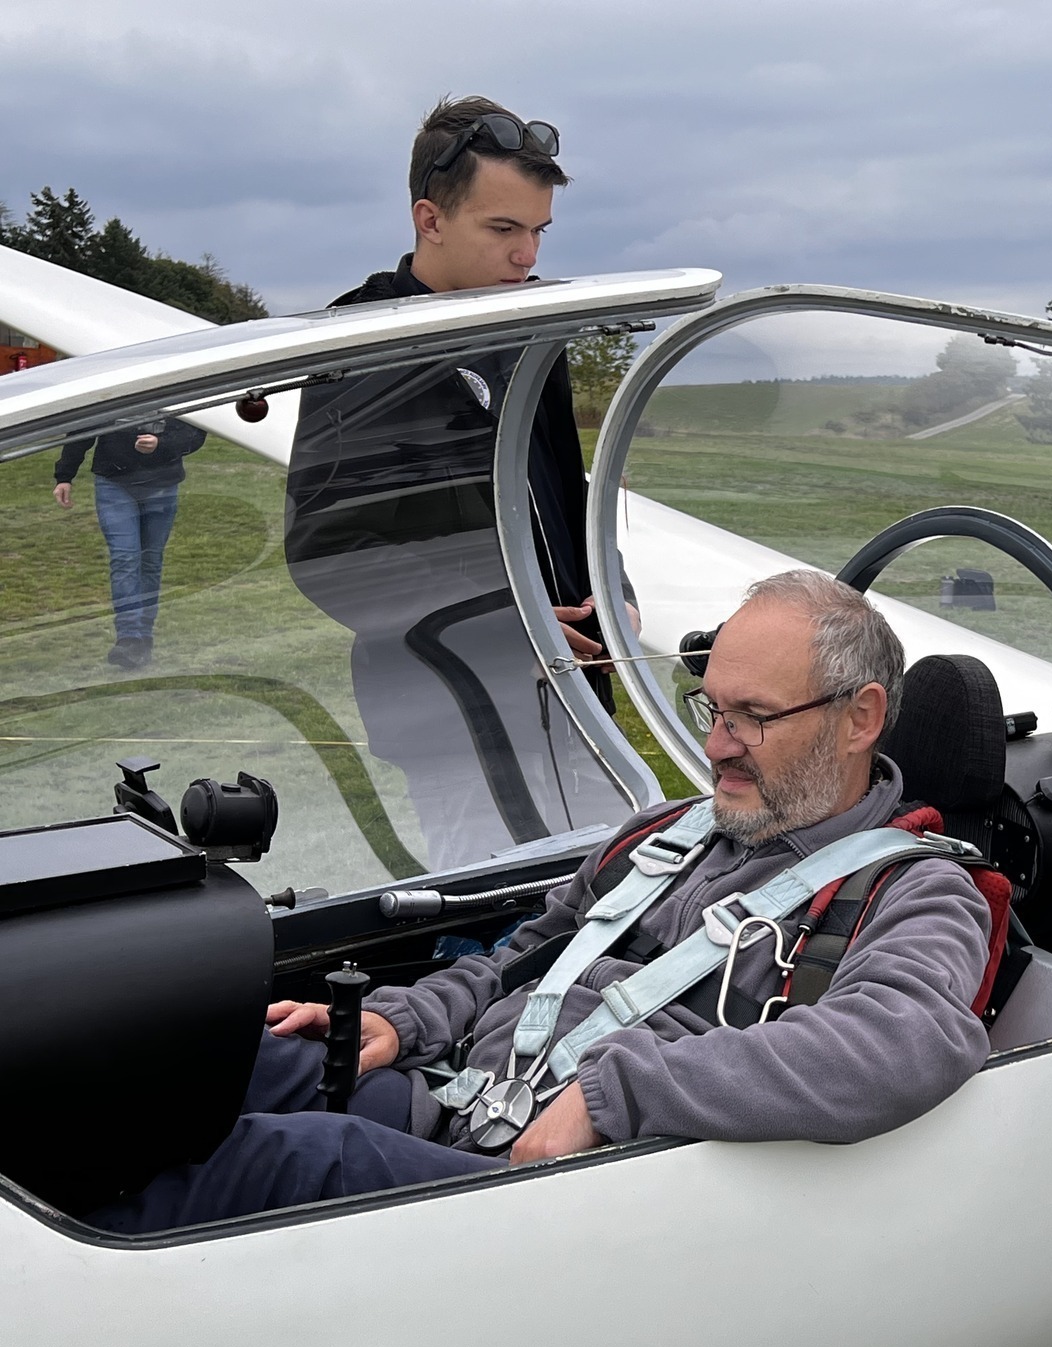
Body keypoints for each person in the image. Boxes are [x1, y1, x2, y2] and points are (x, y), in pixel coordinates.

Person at [90, 573, 994, 1233]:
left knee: (274, 1158)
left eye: (752, 715)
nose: (717, 746)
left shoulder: (912, 890)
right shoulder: (667, 835)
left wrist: (615, 1093)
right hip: (461, 1101)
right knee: (195, 1063)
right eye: (709, 708)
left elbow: (912, 1037)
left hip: (574, 1195)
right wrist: (406, 1019)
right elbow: (524, 953)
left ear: (861, 718)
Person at [284, 94, 626, 868]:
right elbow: (328, 553)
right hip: (453, 709)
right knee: (493, 933)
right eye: (504, 230)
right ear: (428, 219)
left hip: (571, 698)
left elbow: (558, 489)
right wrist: (515, 629)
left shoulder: (527, 329)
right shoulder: (363, 348)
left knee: (612, 901)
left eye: (538, 231)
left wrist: (610, 584)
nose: (527, 257)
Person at [53, 415, 208, 668]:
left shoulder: (175, 385)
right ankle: (128, 638)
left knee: (150, 560)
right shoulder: (114, 384)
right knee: (124, 557)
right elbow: (84, 426)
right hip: (114, 483)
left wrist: (161, 444)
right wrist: (64, 476)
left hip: (162, 484)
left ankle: (143, 637)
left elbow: (196, 433)